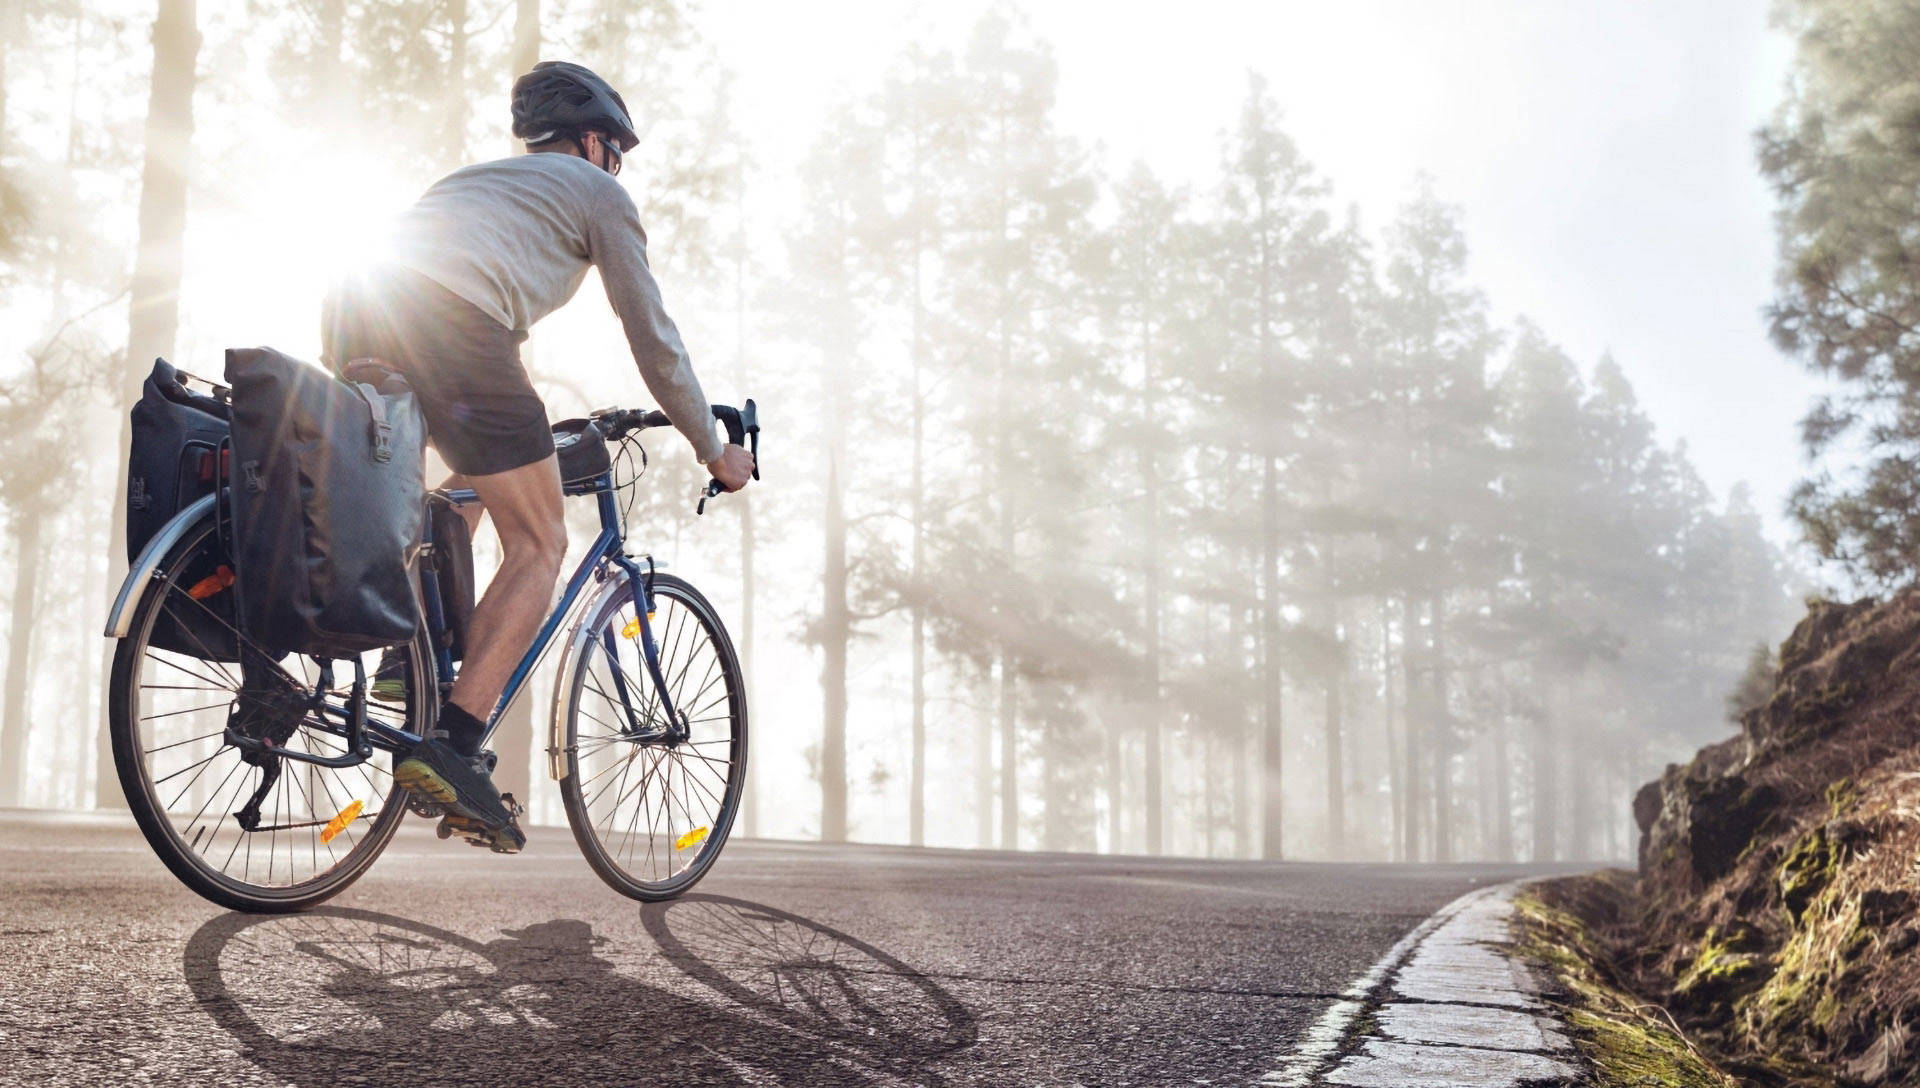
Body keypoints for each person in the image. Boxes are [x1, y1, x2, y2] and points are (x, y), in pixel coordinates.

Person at [320, 60, 754, 852]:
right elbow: (653, 339)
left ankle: (402, 657)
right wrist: (712, 444)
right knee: (542, 540)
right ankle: (454, 744)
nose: (615, 167)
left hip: (355, 309)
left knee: (466, 490)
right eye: (614, 152)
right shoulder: (598, 194)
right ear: (591, 142)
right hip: (453, 324)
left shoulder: (480, 181)